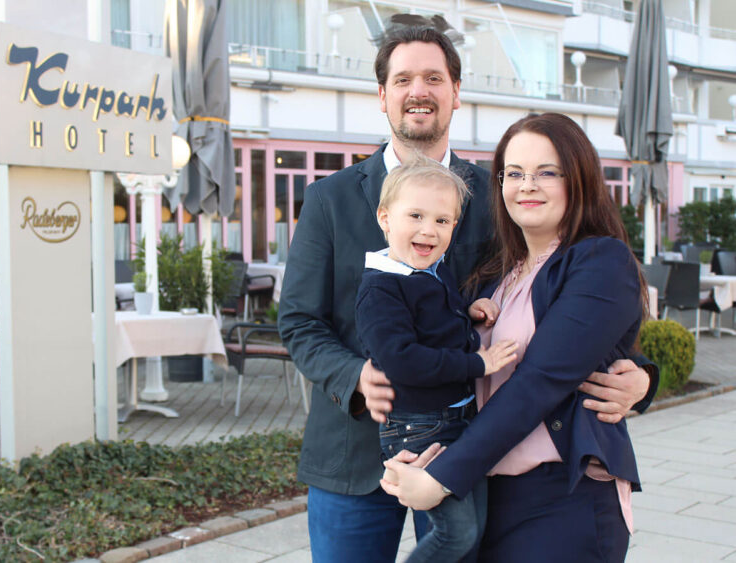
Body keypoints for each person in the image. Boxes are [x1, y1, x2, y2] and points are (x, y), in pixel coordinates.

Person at [278, 20, 657, 563]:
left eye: (434, 77)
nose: (419, 91)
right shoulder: (329, 199)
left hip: (472, 452)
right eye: (404, 78)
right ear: (382, 95)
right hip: (355, 449)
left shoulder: (498, 194)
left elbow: (551, 314)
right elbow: (298, 321)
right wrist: (352, 375)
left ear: (456, 93)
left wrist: (640, 377)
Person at [380, 112, 650, 562]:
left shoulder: (602, 261)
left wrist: (442, 476)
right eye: (514, 173)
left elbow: (541, 378)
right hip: (484, 493)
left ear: (578, 179)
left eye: (547, 172)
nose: (527, 185)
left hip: (561, 501)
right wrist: (411, 451)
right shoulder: (495, 274)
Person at [356, 156, 518, 562]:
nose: (429, 230)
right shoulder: (381, 290)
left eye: (443, 221)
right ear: (385, 218)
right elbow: (404, 360)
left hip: (457, 418)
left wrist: (471, 309)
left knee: (475, 531)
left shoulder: (431, 269)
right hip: (420, 427)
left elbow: (437, 320)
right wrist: (478, 364)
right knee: (455, 534)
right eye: (416, 216)